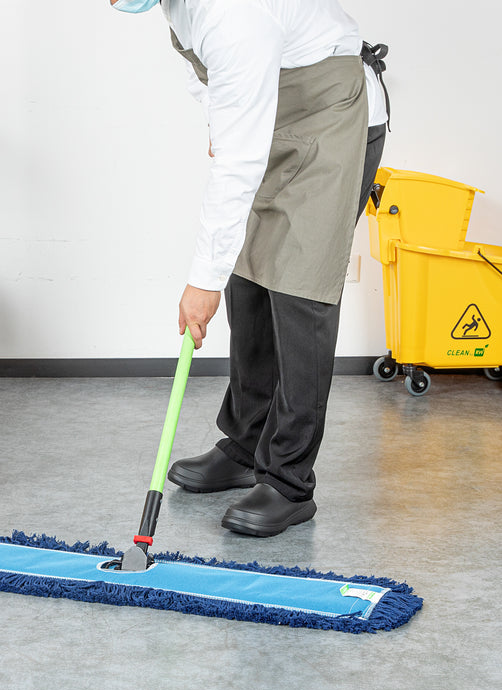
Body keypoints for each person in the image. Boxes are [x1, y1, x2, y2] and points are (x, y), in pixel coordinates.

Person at [110, 0, 389, 537]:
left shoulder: (232, 12)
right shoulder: (180, 8)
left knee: (301, 291)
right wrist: (220, 120)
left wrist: (201, 282)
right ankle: (245, 446)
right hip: (275, 123)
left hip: (334, 122)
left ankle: (288, 481)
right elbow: (208, 77)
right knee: (249, 280)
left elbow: (237, 160)